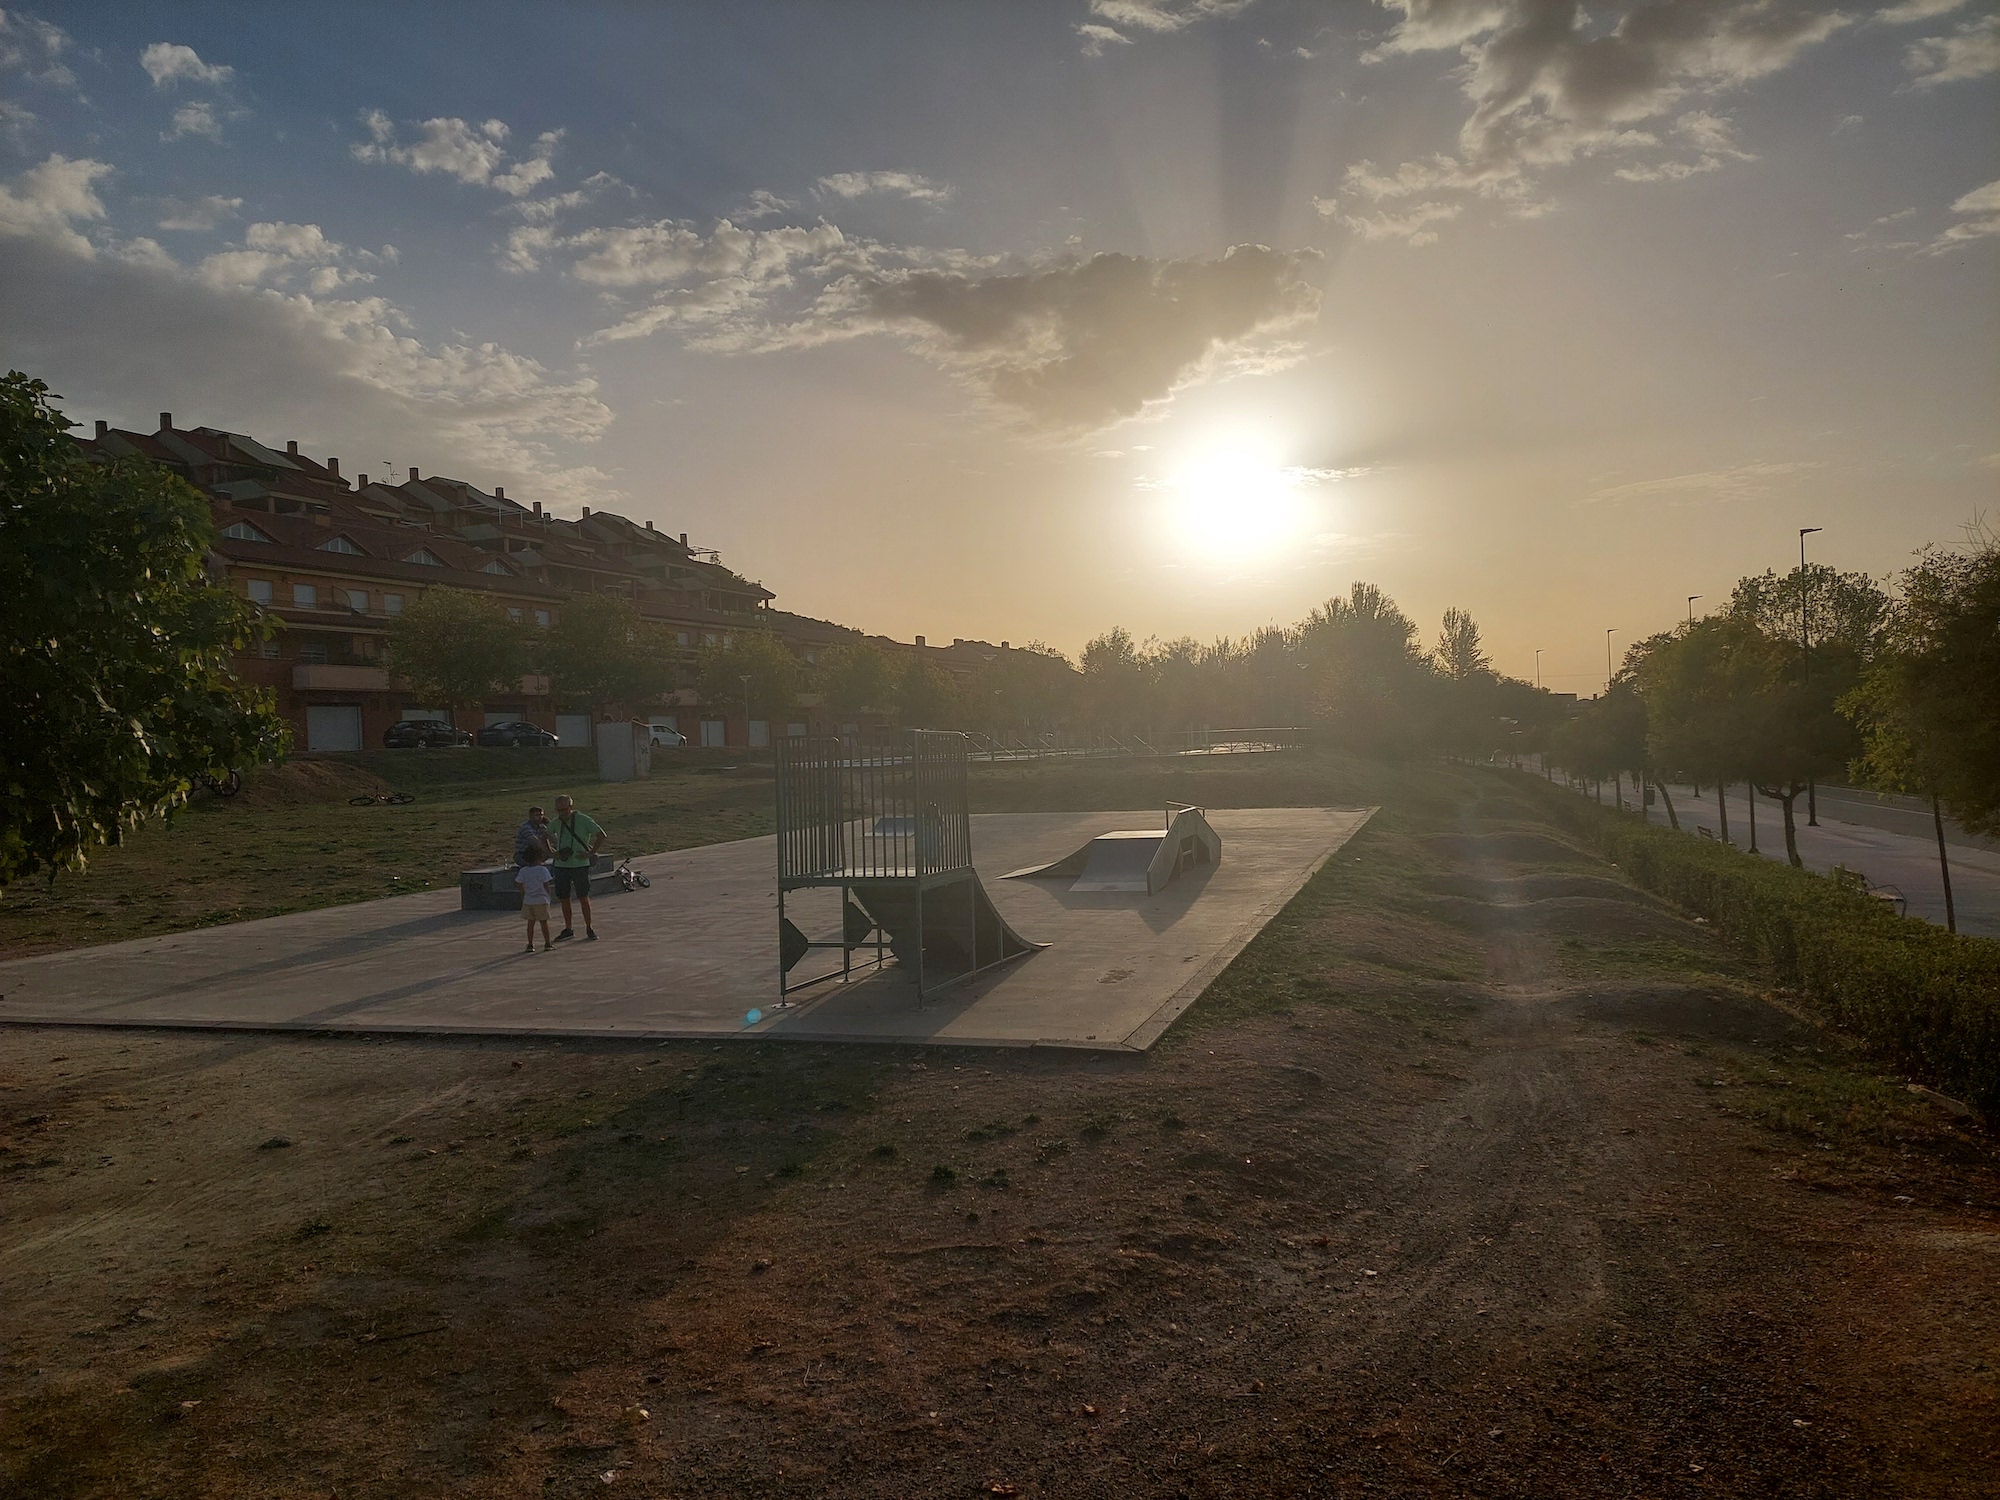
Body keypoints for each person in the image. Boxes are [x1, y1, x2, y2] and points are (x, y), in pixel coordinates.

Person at [549, 792, 606, 942]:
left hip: (580, 865)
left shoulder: (583, 819)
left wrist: (590, 852)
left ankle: (589, 927)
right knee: (564, 898)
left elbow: (601, 835)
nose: (561, 813)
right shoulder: (556, 822)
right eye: (558, 810)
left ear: (571, 807)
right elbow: (545, 835)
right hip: (562, 864)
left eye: (563, 809)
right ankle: (568, 928)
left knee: (583, 897)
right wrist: (551, 852)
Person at [514, 850, 555, 954]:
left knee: (530, 923)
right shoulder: (542, 870)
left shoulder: (523, 870)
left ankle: (530, 944)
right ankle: (547, 943)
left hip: (528, 900)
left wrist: (524, 892)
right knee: (543, 922)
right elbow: (546, 884)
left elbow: (518, 883)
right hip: (541, 899)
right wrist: (548, 895)